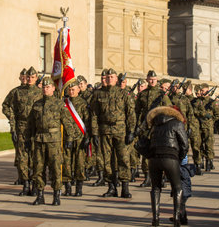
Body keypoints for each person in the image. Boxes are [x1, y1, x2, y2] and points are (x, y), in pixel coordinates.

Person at [28, 76, 74, 206]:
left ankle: (56, 195)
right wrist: (28, 139)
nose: (45, 89)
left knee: (55, 169)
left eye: (48, 87)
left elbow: (67, 122)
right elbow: (31, 124)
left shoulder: (59, 104)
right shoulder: (36, 104)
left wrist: (69, 138)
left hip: (53, 141)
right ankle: (40, 195)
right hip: (39, 140)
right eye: (43, 87)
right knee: (38, 169)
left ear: (53, 89)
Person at [91, 68, 136, 198]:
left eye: (112, 77)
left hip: (121, 131)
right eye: (108, 77)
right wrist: (94, 133)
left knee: (123, 159)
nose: (109, 78)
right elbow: (94, 115)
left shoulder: (123, 94)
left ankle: (125, 187)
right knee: (106, 161)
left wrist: (131, 131)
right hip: (105, 131)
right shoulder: (98, 94)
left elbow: (131, 114)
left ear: (117, 79)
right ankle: (111, 187)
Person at [146, 105, 188, 227]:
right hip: (170, 157)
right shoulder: (177, 123)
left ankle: (155, 219)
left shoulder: (155, 124)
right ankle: (176, 218)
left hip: (154, 158)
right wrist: (179, 157)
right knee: (177, 187)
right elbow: (185, 144)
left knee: (155, 188)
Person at [9, 66, 42, 196]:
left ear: (36, 78)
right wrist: (13, 124)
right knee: (22, 157)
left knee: (35, 157)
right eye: (28, 77)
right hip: (22, 127)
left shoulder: (40, 93)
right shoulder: (17, 92)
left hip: (36, 128)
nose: (29, 79)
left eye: (32, 77)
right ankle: (26, 184)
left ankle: (34, 184)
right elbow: (8, 107)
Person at [135, 70, 171, 187]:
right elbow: (137, 111)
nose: (152, 81)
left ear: (157, 80)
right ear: (147, 80)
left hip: (158, 127)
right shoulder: (142, 94)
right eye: (150, 79)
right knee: (146, 152)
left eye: (154, 79)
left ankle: (161, 178)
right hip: (145, 127)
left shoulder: (161, 94)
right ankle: (147, 177)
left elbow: (169, 110)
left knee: (159, 153)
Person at [63, 80, 90, 197]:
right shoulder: (64, 103)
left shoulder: (83, 104)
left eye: (73, 89)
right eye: (69, 89)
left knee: (79, 163)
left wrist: (87, 137)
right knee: (66, 163)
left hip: (79, 137)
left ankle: (79, 188)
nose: (71, 91)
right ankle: (67, 187)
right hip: (66, 137)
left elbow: (88, 121)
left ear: (78, 90)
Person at [2, 68, 27, 184]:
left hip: (32, 127)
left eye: (26, 76)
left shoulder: (37, 91)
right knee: (19, 153)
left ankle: (29, 177)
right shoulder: (15, 92)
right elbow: (5, 105)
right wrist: (11, 117)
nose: (24, 78)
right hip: (18, 126)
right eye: (22, 76)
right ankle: (21, 176)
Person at [192, 83, 219, 171]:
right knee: (199, 144)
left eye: (203, 90)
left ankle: (209, 161)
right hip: (198, 126)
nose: (201, 92)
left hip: (208, 127)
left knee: (209, 144)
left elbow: (217, 114)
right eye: (200, 91)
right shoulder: (197, 101)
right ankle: (200, 162)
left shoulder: (212, 101)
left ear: (207, 90)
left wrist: (211, 121)